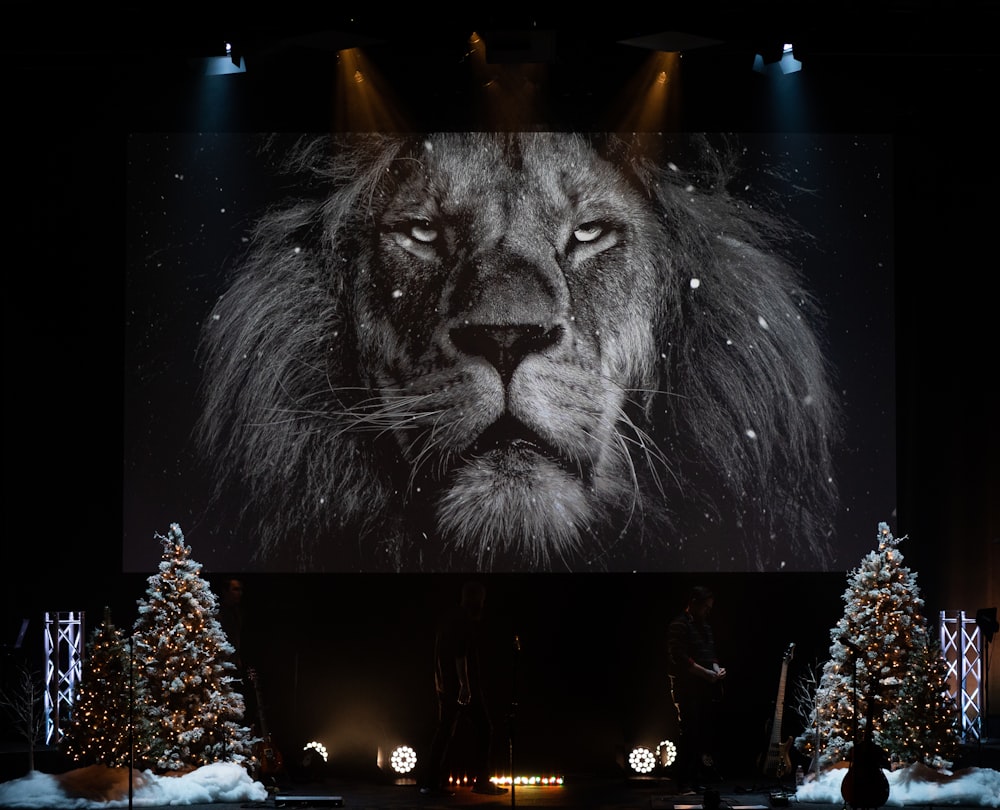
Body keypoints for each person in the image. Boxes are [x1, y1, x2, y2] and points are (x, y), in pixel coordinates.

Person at [417, 581, 508, 797]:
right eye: (482, 601)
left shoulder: (448, 620)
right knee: (484, 729)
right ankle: (481, 781)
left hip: (446, 687)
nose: (483, 605)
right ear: (476, 600)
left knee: (444, 732)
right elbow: (461, 656)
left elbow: (442, 656)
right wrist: (465, 686)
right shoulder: (464, 622)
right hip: (460, 689)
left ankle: (430, 784)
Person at [667, 585, 727, 792]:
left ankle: (697, 778)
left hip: (706, 687)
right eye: (705, 607)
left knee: (702, 733)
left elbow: (711, 653)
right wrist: (706, 673)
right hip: (687, 687)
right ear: (693, 602)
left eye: (710, 608)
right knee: (689, 731)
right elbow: (680, 658)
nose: (708, 612)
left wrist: (717, 670)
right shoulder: (679, 625)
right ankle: (684, 780)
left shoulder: (706, 627)